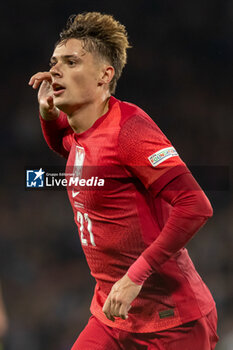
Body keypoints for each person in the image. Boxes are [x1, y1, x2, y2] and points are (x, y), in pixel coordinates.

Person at [29, 12, 219, 350]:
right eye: (54, 61)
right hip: (110, 316)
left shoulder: (129, 131)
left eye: (71, 62)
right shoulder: (81, 130)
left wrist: (134, 276)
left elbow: (196, 205)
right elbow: (68, 147)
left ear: (104, 75)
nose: (55, 70)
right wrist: (48, 118)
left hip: (172, 322)